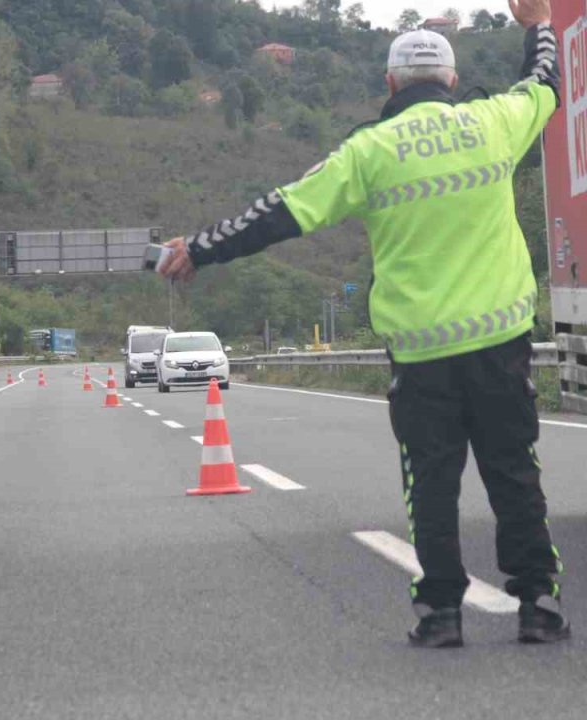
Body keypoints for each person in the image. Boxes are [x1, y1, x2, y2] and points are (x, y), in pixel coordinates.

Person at [153, 0, 568, 648]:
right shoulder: (494, 123)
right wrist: (538, 23)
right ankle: (538, 605)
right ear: (453, 81)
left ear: (391, 85)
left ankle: (441, 616)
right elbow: (545, 81)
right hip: (500, 346)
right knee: (515, 473)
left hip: (422, 354)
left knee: (430, 484)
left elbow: (279, 213)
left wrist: (199, 249)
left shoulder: (369, 151)